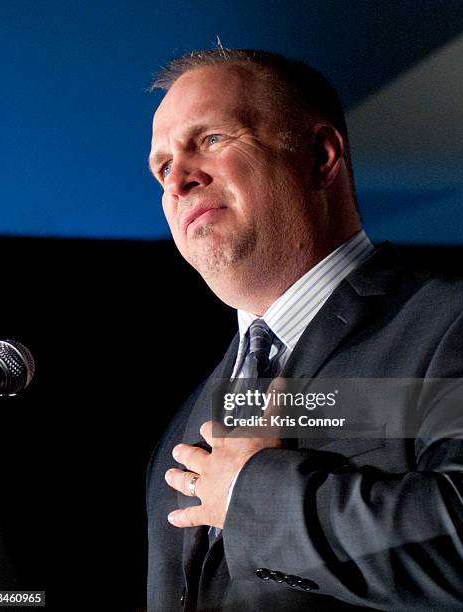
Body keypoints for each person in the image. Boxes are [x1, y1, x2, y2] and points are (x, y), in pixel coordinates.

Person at [146, 48, 463, 611]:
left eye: (211, 139)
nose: (180, 180)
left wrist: (254, 497)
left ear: (320, 155)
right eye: (163, 167)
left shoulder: (447, 325)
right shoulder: (186, 420)